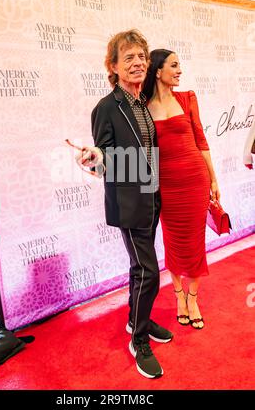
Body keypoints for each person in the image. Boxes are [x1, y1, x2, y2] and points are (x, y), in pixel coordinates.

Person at [76, 30, 173, 379]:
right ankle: (139, 340)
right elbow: (104, 153)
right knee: (149, 272)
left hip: (151, 196)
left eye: (142, 57)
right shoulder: (106, 107)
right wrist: (94, 157)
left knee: (139, 269)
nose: (138, 63)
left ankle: (136, 321)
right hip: (128, 201)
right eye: (129, 57)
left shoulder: (142, 103)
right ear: (113, 66)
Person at [143, 49, 220, 330]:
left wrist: (213, 179)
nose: (179, 71)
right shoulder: (142, 106)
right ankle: (178, 296)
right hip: (166, 187)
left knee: (196, 242)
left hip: (195, 181)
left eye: (179, 66)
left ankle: (193, 298)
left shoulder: (187, 98)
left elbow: (201, 139)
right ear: (158, 71)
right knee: (172, 242)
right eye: (174, 66)